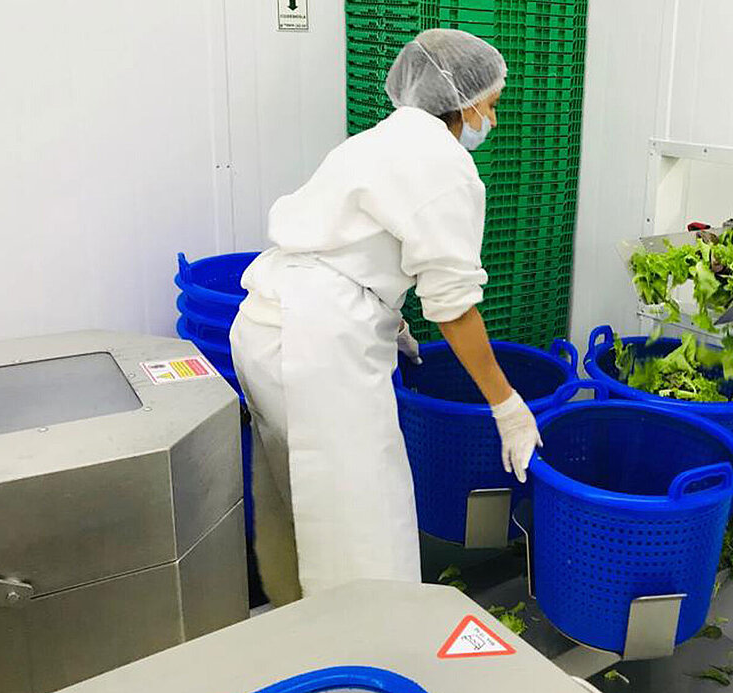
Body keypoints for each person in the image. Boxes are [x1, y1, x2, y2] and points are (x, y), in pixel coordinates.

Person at [229, 29, 539, 605]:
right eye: (491, 106)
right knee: (363, 520)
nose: (489, 122)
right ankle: (369, 656)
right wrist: (506, 403)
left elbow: (349, 241)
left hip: (268, 323)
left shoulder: (375, 141)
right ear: (463, 99)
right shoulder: (446, 167)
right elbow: (452, 304)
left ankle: (305, 633)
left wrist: (388, 317)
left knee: (300, 499)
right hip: (317, 346)